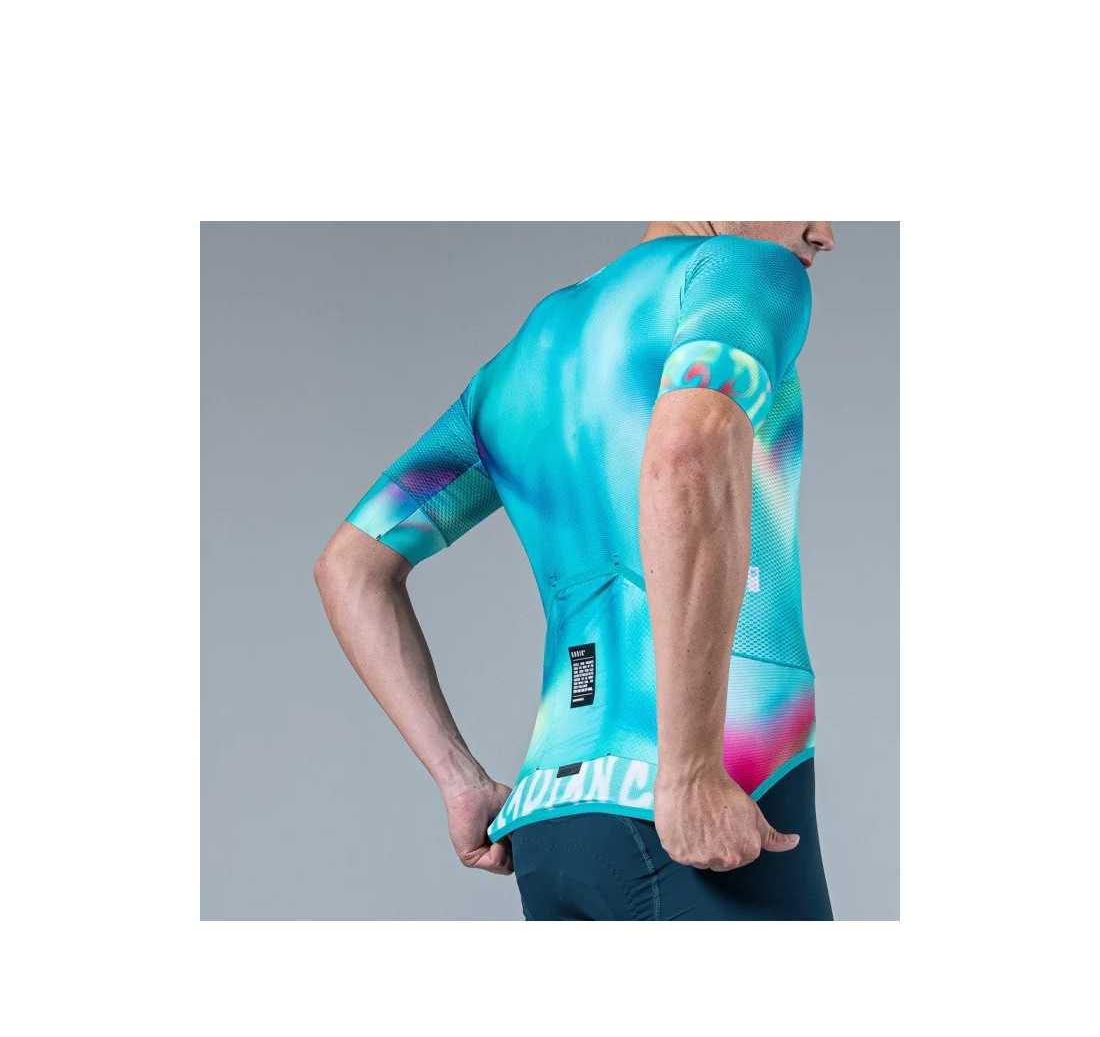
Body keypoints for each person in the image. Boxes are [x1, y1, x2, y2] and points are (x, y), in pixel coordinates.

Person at [315, 221, 836, 920]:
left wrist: (460, 780)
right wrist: (688, 772)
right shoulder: (744, 271)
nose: (823, 231)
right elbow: (686, 451)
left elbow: (351, 564)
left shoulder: (516, 365)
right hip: (712, 793)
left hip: (552, 822)